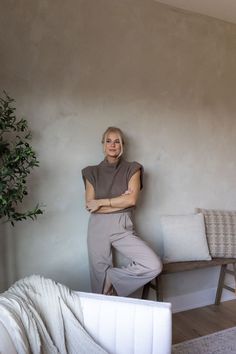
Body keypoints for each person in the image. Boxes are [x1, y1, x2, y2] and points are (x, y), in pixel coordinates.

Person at [82, 126, 162, 296]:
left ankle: (112, 276)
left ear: (122, 145)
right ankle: (103, 320)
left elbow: (131, 200)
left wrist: (102, 202)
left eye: (117, 141)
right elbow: (90, 206)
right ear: (103, 145)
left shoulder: (133, 168)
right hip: (98, 227)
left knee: (153, 264)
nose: (112, 145)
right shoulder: (91, 172)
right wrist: (121, 201)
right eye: (108, 141)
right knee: (100, 286)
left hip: (122, 225)